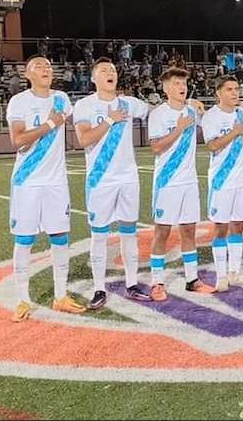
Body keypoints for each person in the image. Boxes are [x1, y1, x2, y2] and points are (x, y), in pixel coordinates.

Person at [6, 56, 85, 322]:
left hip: (56, 182)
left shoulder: (62, 98)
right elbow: (18, 141)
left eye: (49, 66)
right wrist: (51, 124)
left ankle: (60, 296)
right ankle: (22, 300)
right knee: (25, 239)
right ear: (27, 74)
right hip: (27, 180)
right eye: (39, 66)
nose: (46, 69)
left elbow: (76, 114)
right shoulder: (19, 101)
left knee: (60, 235)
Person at [73, 58, 153, 309]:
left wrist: (187, 104)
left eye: (114, 70)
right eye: (104, 71)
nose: (111, 73)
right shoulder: (85, 105)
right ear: (94, 78)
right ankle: (99, 288)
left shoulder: (128, 103)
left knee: (129, 232)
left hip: (128, 178)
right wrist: (110, 120)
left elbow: (157, 110)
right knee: (99, 235)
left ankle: (131, 284)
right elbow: (83, 139)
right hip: (100, 180)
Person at [147, 67, 214, 300]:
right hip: (167, 182)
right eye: (176, 83)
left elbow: (211, 119)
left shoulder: (192, 110)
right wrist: (179, 128)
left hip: (189, 182)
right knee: (162, 232)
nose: (182, 87)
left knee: (188, 230)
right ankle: (157, 282)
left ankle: (192, 279)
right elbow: (156, 147)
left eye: (184, 83)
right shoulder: (158, 114)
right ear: (165, 88)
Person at [200, 76, 243, 292]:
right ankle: (221, 276)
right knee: (221, 227)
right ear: (218, 93)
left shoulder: (241, 113)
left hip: (241, 180)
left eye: (236, 89)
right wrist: (234, 132)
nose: (235, 93)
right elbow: (212, 146)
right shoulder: (211, 117)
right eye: (230, 89)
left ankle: (235, 272)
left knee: (238, 225)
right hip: (221, 180)